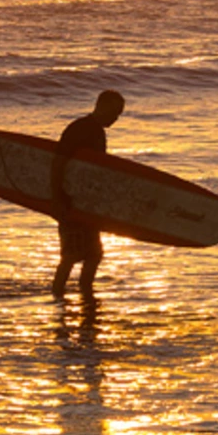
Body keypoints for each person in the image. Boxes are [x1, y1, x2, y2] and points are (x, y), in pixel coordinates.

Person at [52, 90, 126, 300]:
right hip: (70, 201)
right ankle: (57, 297)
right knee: (71, 256)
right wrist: (57, 197)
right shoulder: (80, 129)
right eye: (114, 112)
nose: (115, 119)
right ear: (101, 106)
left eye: (119, 114)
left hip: (86, 204)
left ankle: (86, 295)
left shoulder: (96, 132)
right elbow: (58, 163)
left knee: (93, 255)